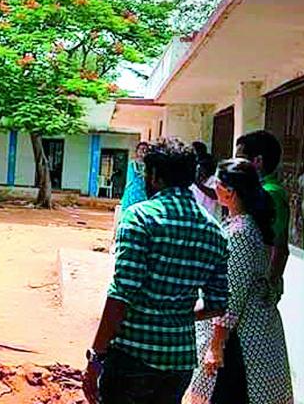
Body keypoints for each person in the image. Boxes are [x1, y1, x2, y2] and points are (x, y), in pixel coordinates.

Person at [83, 139, 229, 404]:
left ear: (155, 176)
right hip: (178, 363)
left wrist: (96, 356)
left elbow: (121, 294)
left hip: (132, 356)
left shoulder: (140, 218)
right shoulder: (215, 231)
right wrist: (175, 312)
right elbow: (218, 303)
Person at [188, 158, 293, 404]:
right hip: (242, 334)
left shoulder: (241, 233)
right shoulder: (242, 225)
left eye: (217, 182)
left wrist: (215, 347)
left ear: (230, 192)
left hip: (239, 340)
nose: (214, 187)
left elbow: (232, 297)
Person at [235, 131, 289, 302]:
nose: (236, 164)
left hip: (256, 288)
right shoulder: (259, 190)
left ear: (257, 161)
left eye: (240, 159)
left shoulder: (269, 193)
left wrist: (268, 286)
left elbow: (277, 246)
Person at [120, 142, 149, 211]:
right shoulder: (132, 164)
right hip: (131, 193)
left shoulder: (148, 165)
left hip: (143, 194)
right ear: (137, 150)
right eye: (141, 149)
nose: (143, 151)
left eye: (145, 150)